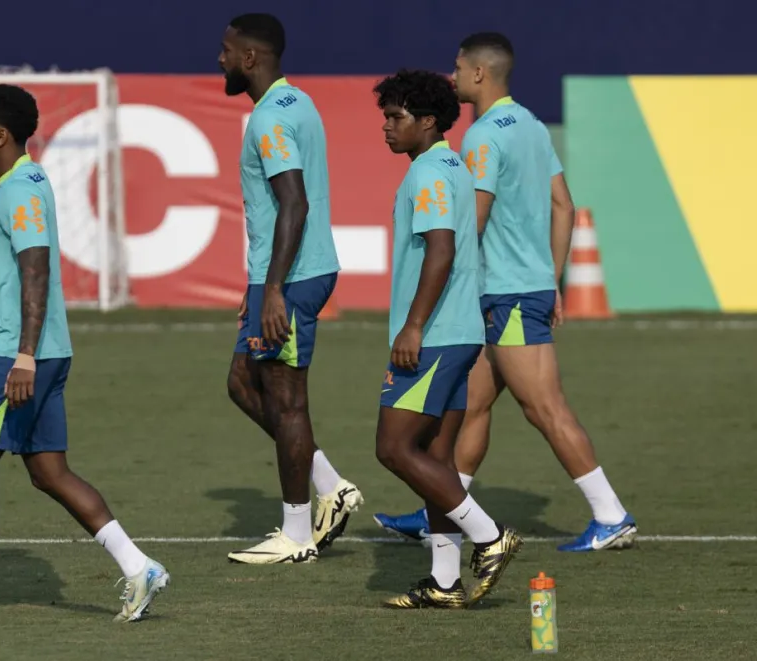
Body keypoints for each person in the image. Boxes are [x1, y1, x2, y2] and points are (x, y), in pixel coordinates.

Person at [0, 84, 169, 625]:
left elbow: (35, 270)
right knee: (49, 471)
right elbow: (8, 271)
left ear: (1, 135)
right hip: (45, 352)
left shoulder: (19, 191)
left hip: (15, 355)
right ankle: (138, 565)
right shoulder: (24, 182)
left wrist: (23, 356)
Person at [373, 32, 637, 553]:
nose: (452, 76)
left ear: (478, 73)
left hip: (506, 294)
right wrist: (551, 279)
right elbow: (564, 206)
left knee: (544, 408)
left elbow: (470, 220)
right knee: (470, 407)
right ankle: (442, 507)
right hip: (521, 288)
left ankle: (610, 514)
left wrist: (456, 286)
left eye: (457, 67)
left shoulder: (482, 137)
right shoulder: (532, 125)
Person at [373, 68, 522, 608]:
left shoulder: (431, 173)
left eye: (397, 117)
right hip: (460, 331)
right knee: (436, 457)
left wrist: (413, 325)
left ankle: (489, 535)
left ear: (428, 121)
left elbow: (441, 248)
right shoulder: (452, 165)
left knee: (393, 448)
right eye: (385, 117)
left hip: (436, 333)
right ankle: (443, 581)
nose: (387, 127)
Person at [218, 13, 364, 564]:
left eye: (226, 50)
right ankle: (330, 485)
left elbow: (294, 203)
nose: (220, 60)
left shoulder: (269, 119)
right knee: (241, 382)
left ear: (249, 57)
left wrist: (274, 287)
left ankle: (297, 534)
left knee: (287, 401)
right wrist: (259, 283)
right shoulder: (296, 102)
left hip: (295, 277)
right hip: (281, 274)